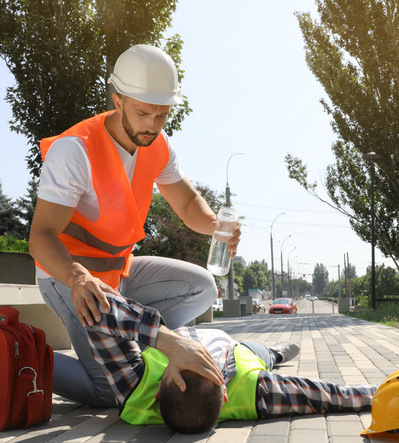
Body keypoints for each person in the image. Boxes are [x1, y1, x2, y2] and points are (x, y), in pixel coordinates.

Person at [28, 44, 240, 407]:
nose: (152, 125)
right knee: (115, 390)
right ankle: (21, 357)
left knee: (203, 287)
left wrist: (215, 225)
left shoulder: (158, 145)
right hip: (70, 277)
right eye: (143, 113)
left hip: (120, 274)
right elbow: (41, 237)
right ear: (118, 100)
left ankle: (139, 344)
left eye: (162, 115)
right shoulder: (75, 150)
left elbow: (187, 203)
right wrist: (79, 278)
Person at [85, 292, 379, 434]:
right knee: (266, 355)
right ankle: (276, 354)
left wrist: (169, 343)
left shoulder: (135, 389)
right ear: (225, 395)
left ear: (158, 393)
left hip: (181, 332)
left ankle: (276, 353)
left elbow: (97, 310)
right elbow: (326, 395)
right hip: (240, 351)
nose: (194, 357)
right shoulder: (258, 390)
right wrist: (381, 392)